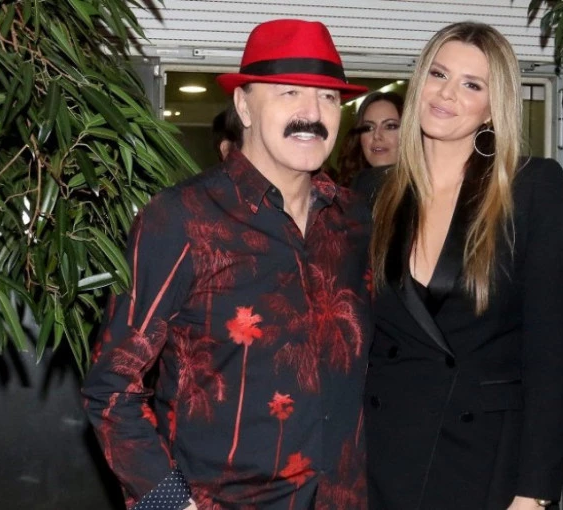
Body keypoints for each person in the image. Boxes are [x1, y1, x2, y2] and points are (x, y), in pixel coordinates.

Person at [82, 19, 372, 510]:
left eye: (328, 97)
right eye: (289, 92)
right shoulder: (181, 219)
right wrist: (171, 505)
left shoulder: (356, 222)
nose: (312, 113)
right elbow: (111, 389)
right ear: (243, 105)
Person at [364, 21, 563, 510]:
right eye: (438, 74)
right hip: (380, 451)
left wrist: (535, 492)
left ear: (492, 107)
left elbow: (548, 353)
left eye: (471, 85)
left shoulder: (531, 187)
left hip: (482, 459)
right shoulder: (372, 191)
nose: (447, 93)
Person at [336, 91, 403, 187]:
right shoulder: (349, 189)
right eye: (368, 128)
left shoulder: (422, 190)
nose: (376, 135)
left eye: (390, 126)